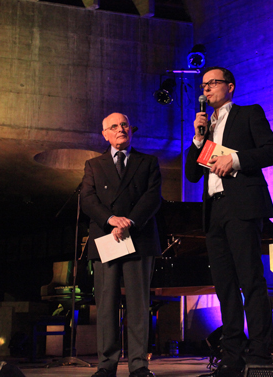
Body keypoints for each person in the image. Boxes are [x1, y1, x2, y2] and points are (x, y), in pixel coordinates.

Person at [185, 67, 273, 377]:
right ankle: (232, 355)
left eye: (212, 83)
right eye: (203, 85)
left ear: (230, 86)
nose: (206, 89)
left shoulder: (249, 113)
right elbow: (191, 174)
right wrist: (198, 139)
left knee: (250, 280)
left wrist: (235, 159)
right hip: (214, 211)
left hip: (242, 206)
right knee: (224, 286)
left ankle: (260, 352)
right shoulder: (206, 127)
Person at [81, 112, 162, 377]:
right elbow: (88, 199)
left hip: (138, 238)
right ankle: (106, 365)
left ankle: (139, 365)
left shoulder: (148, 162)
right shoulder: (93, 165)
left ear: (131, 130)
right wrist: (111, 219)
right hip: (106, 238)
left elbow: (153, 198)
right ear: (105, 134)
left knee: (138, 305)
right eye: (114, 126)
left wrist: (129, 222)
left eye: (125, 124)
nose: (121, 129)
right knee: (106, 306)